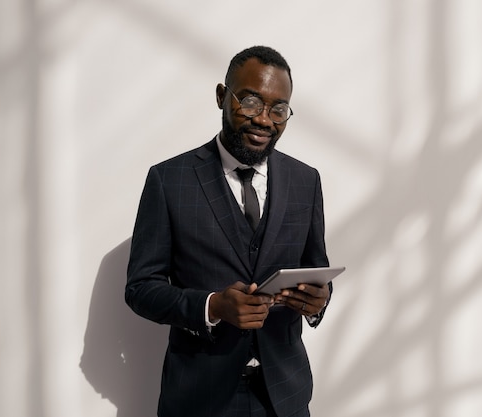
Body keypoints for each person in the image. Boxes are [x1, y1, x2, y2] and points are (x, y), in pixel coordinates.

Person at [125, 45, 332, 417]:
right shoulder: (169, 181)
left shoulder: (306, 181)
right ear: (222, 96)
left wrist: (319, 301)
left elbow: (316, 269)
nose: (265, 120)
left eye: (279, 109)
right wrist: (211, 306)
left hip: (284, 397)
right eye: (251, 102)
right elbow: (140, 288)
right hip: (199, 398)